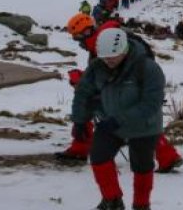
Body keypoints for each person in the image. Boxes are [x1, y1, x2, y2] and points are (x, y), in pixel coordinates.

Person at [62, 14, 183, 173]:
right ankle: (168, 156)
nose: (79, 43)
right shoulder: (102, 42)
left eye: (77, 38)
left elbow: (117, 71)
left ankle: (80, 148)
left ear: (86, 32)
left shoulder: (105, 41)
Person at [71, 28, 165, 210]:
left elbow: (151, 104)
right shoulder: (98, 67)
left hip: (144, 126)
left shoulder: (147, 68)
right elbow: (83, 93)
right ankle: (112, 201)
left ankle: (141, 205)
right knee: (98, 156)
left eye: (112, 57)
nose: (108, 61)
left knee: (142, 166)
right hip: (111, 123)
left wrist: (118, 120)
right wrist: (80, 120)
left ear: (124, 49)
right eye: (104, 57)